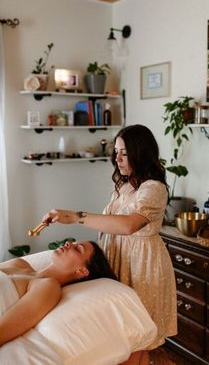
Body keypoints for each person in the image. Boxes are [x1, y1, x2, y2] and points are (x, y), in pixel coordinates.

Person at [42, 124, 177, 364]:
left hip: (142, 266)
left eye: (124, 153)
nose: (117, 159)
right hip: (118, 259)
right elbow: (111, 223)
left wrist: (75, 216)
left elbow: (128, 226)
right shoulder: (123, 186)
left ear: (141, 153)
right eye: (116, 152)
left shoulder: (153, 188)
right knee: (124, 336)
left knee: (138, 337)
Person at [0, 240, 117, 347]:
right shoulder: (18, 263)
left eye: (77, 249)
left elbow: (3, 331)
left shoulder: (48, 287)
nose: (68, 243)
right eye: (73, 242)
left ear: (82, 271)